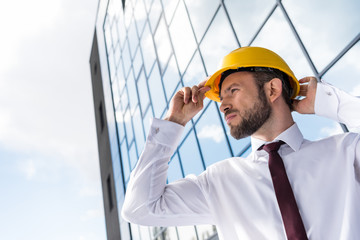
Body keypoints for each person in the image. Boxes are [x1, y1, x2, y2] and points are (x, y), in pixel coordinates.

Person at [121, 46, 360, 240]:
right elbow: (139, 208)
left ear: (273, 89)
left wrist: (330, 104)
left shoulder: (346, 154)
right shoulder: (219, 182)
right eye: (221, 98)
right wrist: (174, 122)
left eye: (233, 90)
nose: (223, 105)